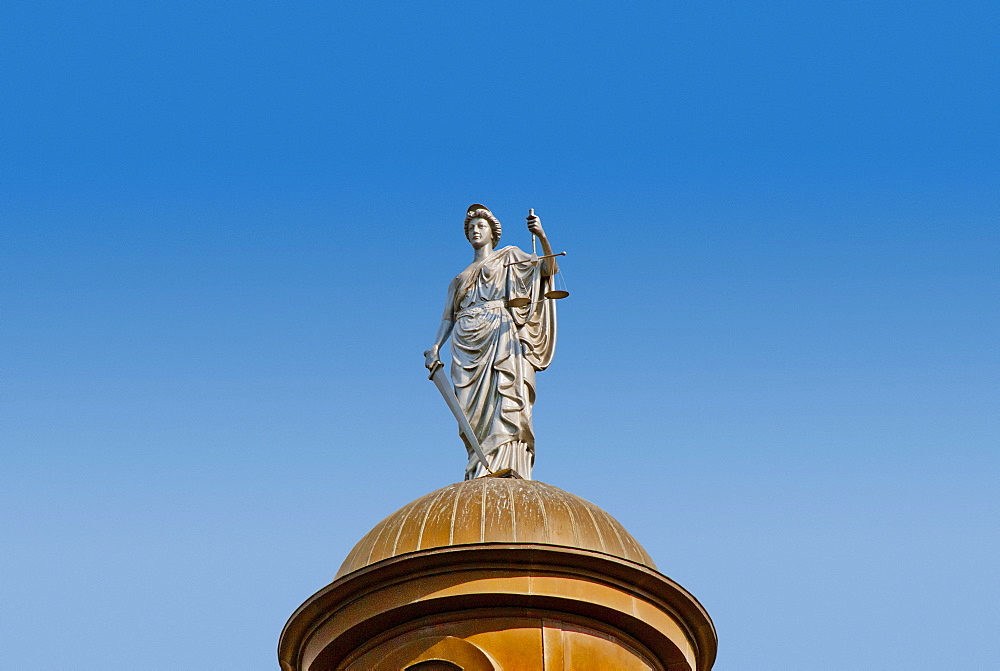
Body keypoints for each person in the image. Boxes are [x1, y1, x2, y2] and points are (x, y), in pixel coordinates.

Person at [424, 204, 559, 480]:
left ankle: (507, 463)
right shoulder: (458, 279)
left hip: (500, 334)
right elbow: (447, 319)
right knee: (471, 413)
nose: (475, 231)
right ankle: (479, 465)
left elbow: (549, 268)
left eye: (481, 226)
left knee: (504, 397)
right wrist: (435, 346)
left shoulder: (508, 257)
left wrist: (542, 235)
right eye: (471, 227)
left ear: (492, 233)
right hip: (465, 344)